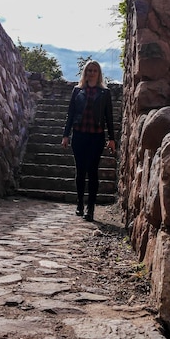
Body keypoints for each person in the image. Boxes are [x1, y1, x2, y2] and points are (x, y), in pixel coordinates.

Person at [61, 60, 115, 221]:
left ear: (99, 74)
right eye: (89, 70)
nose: (91, 73)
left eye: (95, 71)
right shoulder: (77, 91)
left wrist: (112, 138)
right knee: (80, 170)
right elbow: (70, 114)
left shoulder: (105, 93)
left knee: (92, 171)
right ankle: (79, 203)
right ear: (85, 73)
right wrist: (65, 135)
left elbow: (109, 117)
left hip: (96, 136)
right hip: (79, 135)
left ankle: (90, 207)